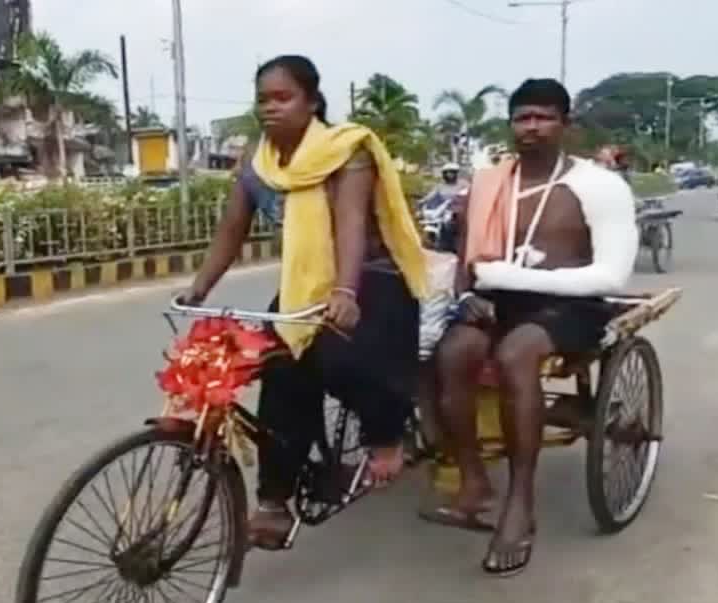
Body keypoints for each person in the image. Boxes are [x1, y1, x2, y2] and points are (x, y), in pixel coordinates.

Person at [179, 55, 427, 550]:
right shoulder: (259, 161)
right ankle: (275, 498)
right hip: (305, 285)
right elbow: (233, 229)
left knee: (342, 359)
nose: (270, 109)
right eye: (263, 100)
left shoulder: (346, 149)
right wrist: (200, 288)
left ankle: (385, 434)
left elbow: (351, 223)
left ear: (312, 102)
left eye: (283, 97)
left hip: (370, 276)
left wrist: (345, 291)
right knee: (281, 371)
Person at [423, 79, 638, 576]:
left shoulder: (599, 186)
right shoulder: (490, 183)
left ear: (565, 125)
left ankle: (520, 505)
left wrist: (507, 277)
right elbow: (466, 255)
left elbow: (611, 274)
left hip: (574, 305)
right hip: (499, 298)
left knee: (516, 354)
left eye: (543, 117)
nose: (532, 127)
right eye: (523, 117)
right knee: (452, 351)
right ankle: (474, 482)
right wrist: (470, 292)